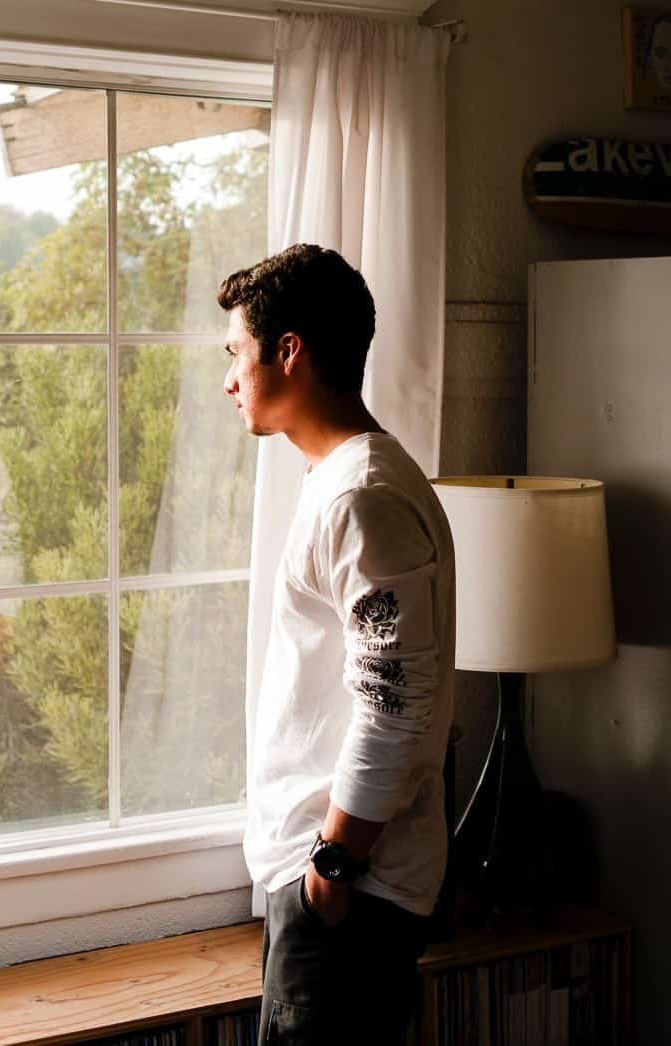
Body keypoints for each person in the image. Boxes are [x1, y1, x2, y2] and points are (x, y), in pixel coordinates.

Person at [219, 244, 455, 1045]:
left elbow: (394, 704)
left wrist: (331, 869)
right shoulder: (346, 478)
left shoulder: (361, 496)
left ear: (290, 351)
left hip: (352, 894)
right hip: (341, 885)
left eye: (237, 356)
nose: (229, 381)